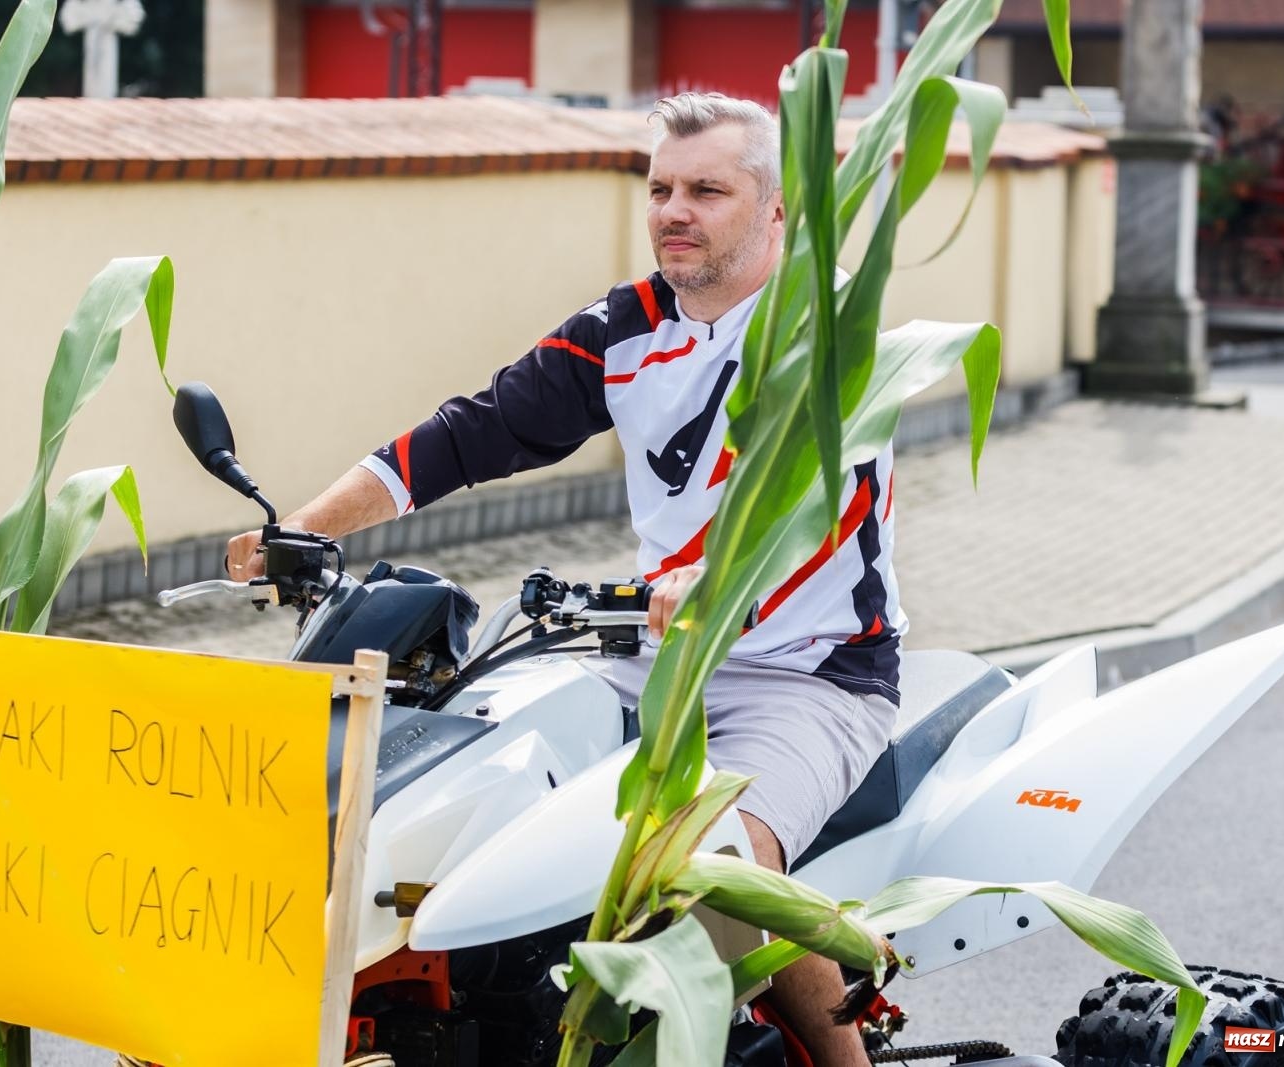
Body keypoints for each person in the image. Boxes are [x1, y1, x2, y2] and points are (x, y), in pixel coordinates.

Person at [227, 92, 903, 1066]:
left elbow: (824, 495)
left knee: (713, 865)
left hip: (809, 673)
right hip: (658, 652)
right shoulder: (627, 327)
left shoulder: (826, 328)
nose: (674, 211)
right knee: (479, 783)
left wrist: (718, 576)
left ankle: (845, 1060)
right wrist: (302, 528)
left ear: (774, 212)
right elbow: (473, 431)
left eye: (707, 191)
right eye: (660, 190)